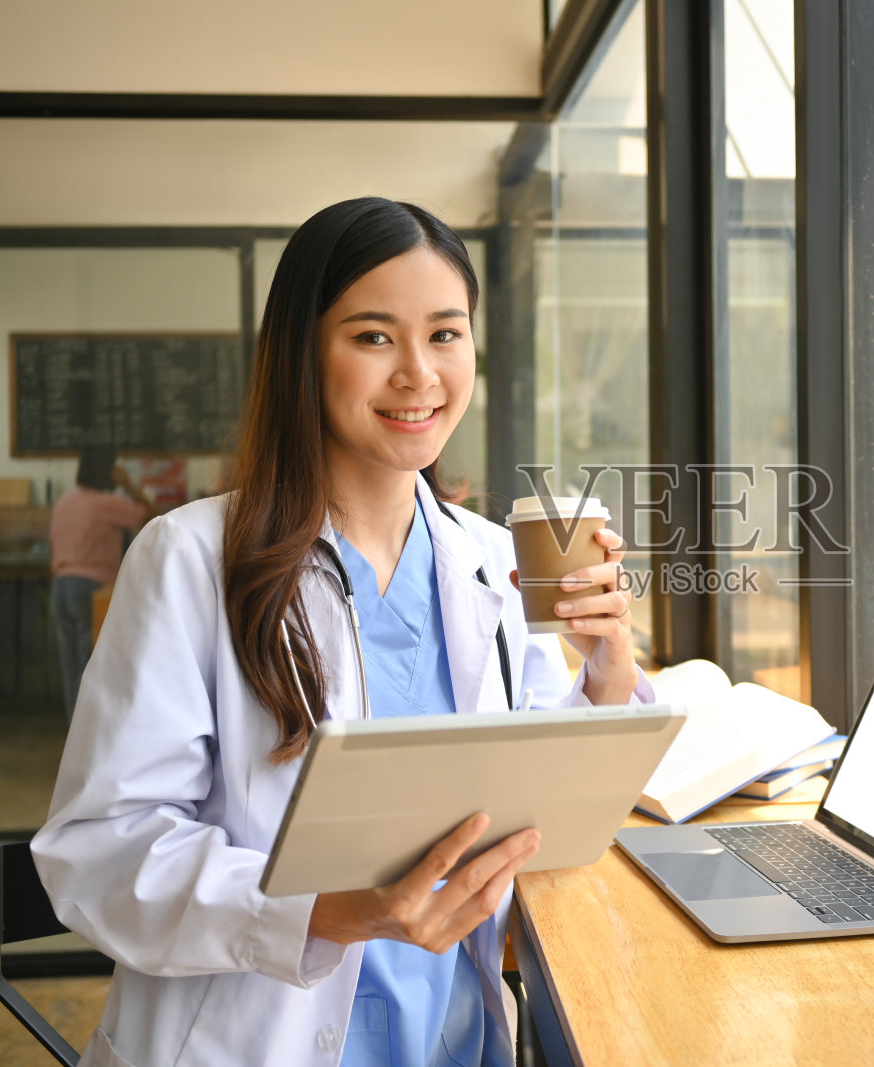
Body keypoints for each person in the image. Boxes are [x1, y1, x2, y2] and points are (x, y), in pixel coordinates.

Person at [32, 197, 650, 1067]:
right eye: (372, 337)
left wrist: (610, 671)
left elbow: (543, 806)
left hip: (455, 1038)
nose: (419, 375)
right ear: (302, 354)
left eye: (445, 334)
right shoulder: (187, 559)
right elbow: (99, 854)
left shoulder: (491, 562)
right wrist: (333, 910)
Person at [47, 446, 158, 719]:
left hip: (60, 587)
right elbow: (152, 517)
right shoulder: (106, 504)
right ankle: (87, 730)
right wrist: (128, 483)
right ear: (106, 470)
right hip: (90, 589)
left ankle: (73, 727)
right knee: (90, 665)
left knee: (70, 664)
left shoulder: (64, 502)